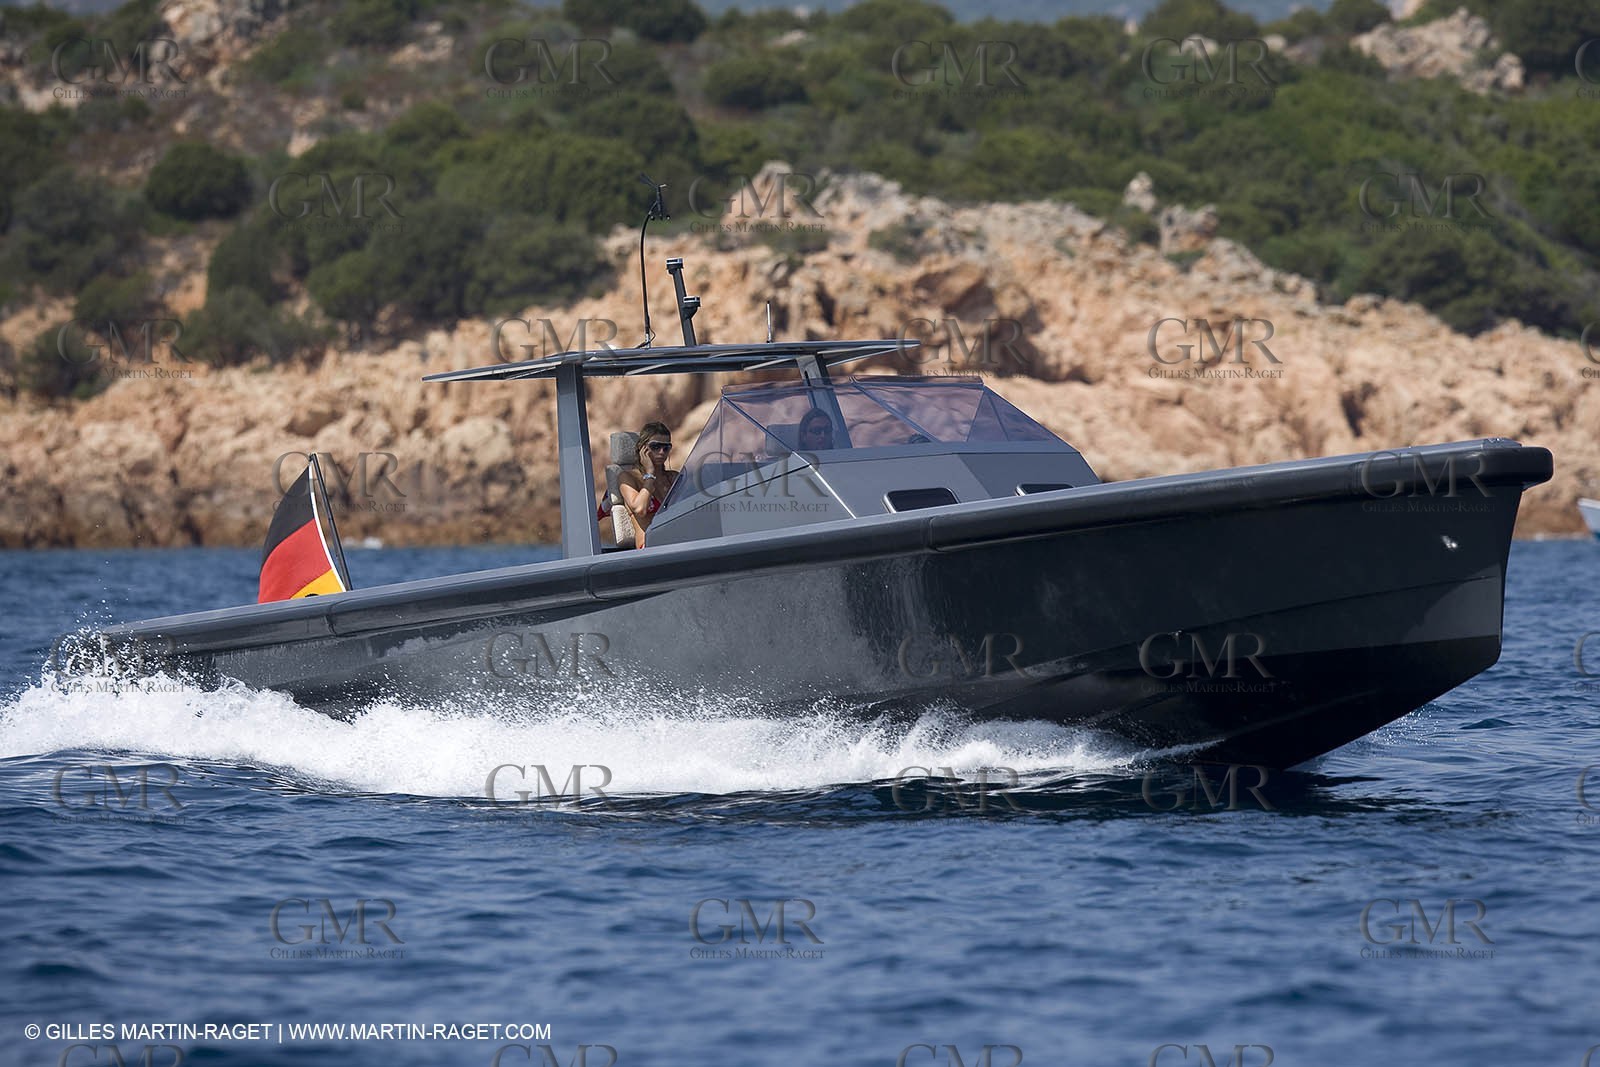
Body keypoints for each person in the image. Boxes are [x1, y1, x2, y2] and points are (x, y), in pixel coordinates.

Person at [618, 421, 678, 549]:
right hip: (649, 546)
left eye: (666, 447)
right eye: (655, 446)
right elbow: (640, 509)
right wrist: (650, 474)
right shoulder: (628, 477)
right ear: (642, 448)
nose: (661, 452)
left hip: (677, 540)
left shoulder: (673, 477)